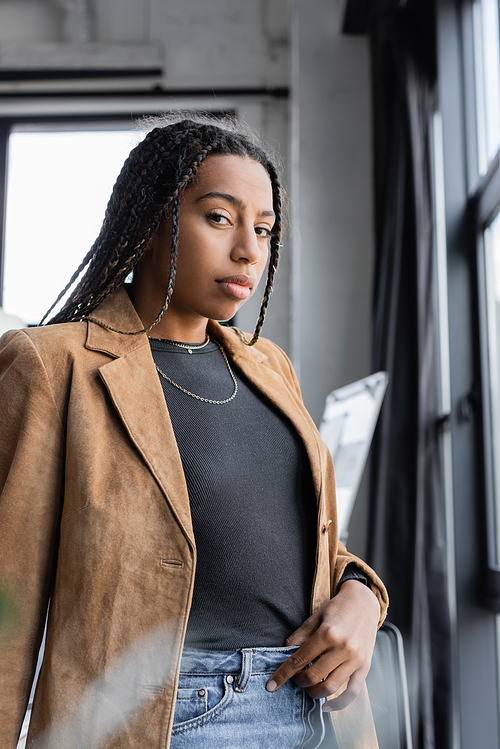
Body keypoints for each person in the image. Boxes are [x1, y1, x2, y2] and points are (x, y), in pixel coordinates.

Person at [0, 115, 388, 749]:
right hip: (163, 720)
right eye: (218, 217)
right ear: (153, 220)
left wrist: (364, 597)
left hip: (314, 714)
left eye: (263, 229)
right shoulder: (51, 366)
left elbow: (300, 550)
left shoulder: (269, 367)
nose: (249, 251)